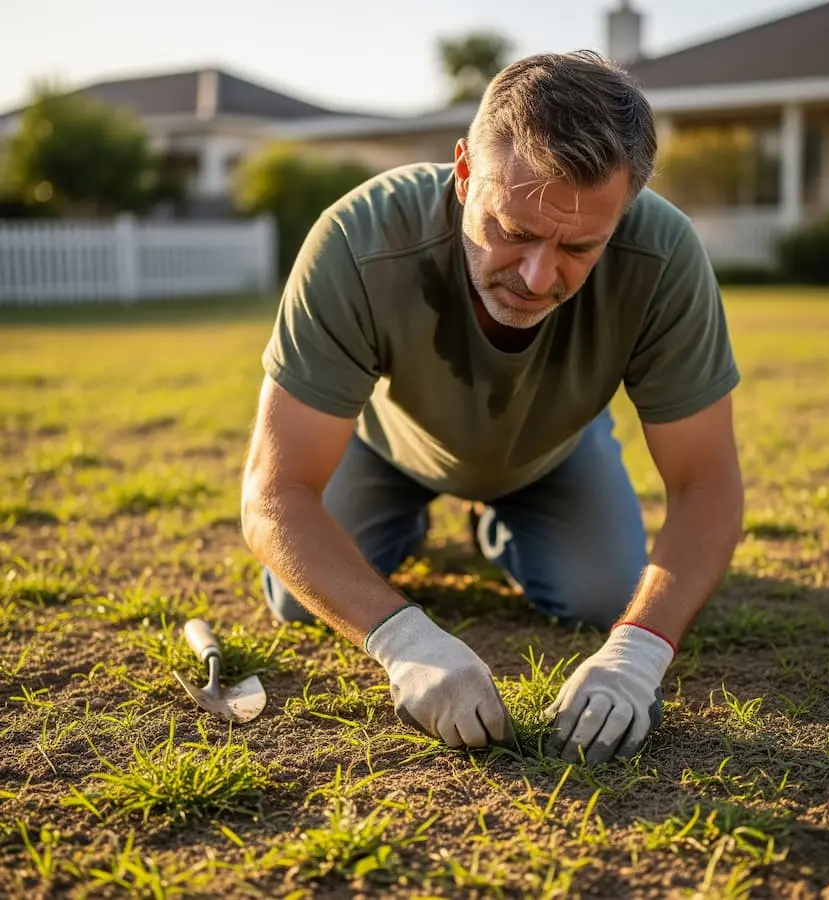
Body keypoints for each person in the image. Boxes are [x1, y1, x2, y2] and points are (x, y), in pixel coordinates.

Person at [240, 50, 744, 766]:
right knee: (298, 600)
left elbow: (707, 487)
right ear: (464, 171)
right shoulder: (356, 239)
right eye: (513, 229)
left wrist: (637, 654)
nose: (538, 278)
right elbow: (272, 497)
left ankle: (496, 521)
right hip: (390, 447)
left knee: (606, 595)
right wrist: (404, 640)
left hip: (553, 454)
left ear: (623, 211)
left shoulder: (665, 257)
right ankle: (406, 518)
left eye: (579, 246)